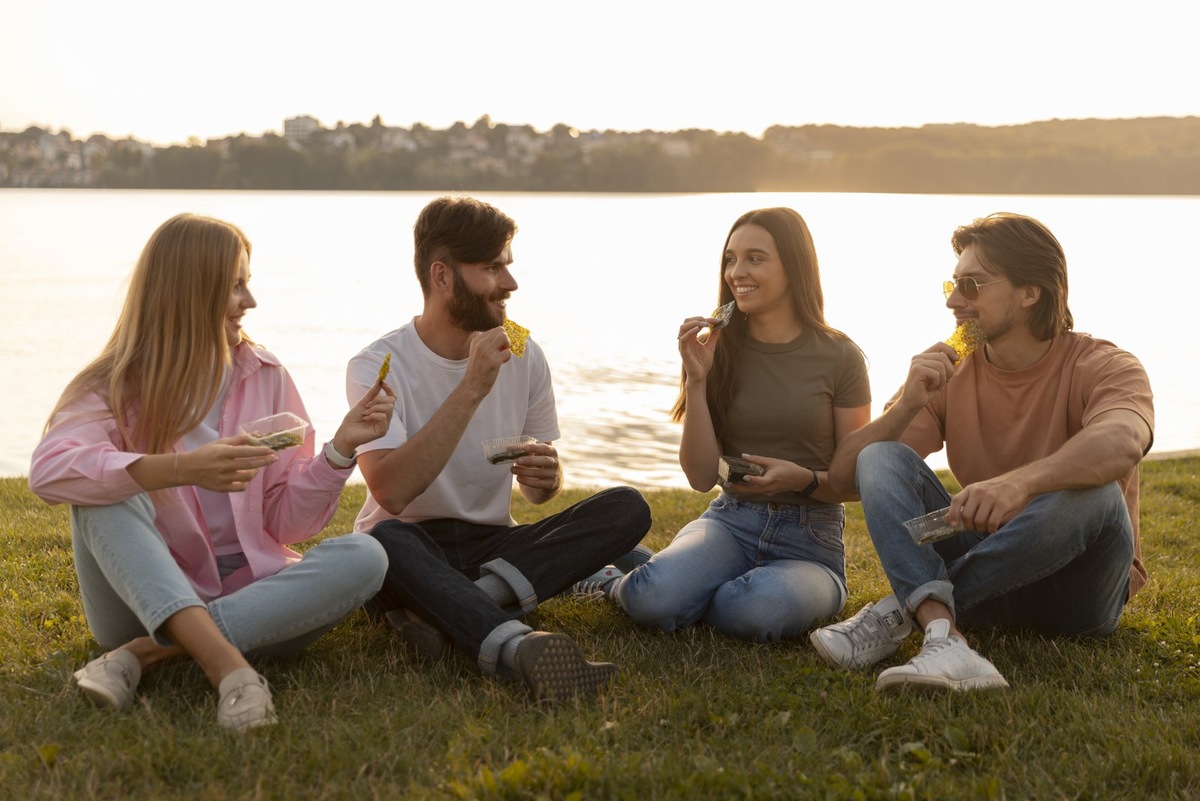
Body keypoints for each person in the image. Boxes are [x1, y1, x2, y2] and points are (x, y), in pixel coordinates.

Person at [29, 213, 395, 730]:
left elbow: (286, 524)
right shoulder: (112, 385)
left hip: (251, 592)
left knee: (365, 554)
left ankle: (143, 654)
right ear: (189, 291)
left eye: (248, 283)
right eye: (235, 285)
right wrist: (180, 469)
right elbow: (50, 470)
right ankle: (232, 671)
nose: (250, 300)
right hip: (141, 596)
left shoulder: (266, 374)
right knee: (103, 491)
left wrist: (340, 449)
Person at [809, 212, 1153, 692]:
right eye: (951, 285)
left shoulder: (1104, 364)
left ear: (1030, 291)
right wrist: (906, 404)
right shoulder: (951, 373)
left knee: (1095, 494)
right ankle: (943, 632)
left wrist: (1022, 484)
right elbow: (846, 480)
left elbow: (1123, 441)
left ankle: (905, 610)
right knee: (879, 455)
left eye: (971, 285)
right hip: (995, 571)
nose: (953, 301)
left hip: (1078, 592)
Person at [346, 195, 652, 704]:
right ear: (441, 276)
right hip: (412, 548)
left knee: (627, 507)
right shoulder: (377, 364)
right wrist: (471, 387)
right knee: (382, 541)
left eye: (507, 266)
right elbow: (392, 493)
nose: (509, 283)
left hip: (492, 545)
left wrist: (545, 480)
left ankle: (453, 611)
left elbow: (536, 498)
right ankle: (517, 644)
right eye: (492, 268)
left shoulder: (522, 347)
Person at [572, 207, 871, 643]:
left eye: (754, 258)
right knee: (652, 601)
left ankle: (677, 577)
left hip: (810, 540)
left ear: (794, 265)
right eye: (730, 259)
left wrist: (804, 480)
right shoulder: (716, 348)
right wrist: (696, 379)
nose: (736, 272)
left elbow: (853, 482)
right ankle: (614, 582)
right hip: (731, 522)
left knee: (754, 610)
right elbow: (699, 476)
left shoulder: (841, 356)